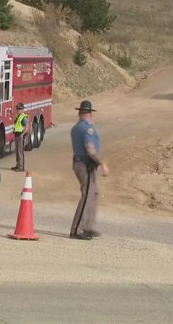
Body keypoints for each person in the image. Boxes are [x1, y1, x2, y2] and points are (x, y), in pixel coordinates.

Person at [70, 100, 109, 240]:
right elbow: (90, 148)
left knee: (94, 193)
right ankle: (77, 229)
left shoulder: (76, 127)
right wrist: (101, 163)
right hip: (85, 164)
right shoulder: (87, 128)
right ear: (90, 114)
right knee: (87, 196)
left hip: (82, 164)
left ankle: (88, 227)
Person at [11, 102, 29, 172]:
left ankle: (21, 167)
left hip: (20, 136)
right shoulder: (19, 116)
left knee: (20, 151)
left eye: (19, 109)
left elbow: (27, 127)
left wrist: (22, 134)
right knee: (17, 151)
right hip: (17, 135)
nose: (18, 110)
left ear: (22, 109)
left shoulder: (23, 118)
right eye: (17, 109)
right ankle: (18, 165)